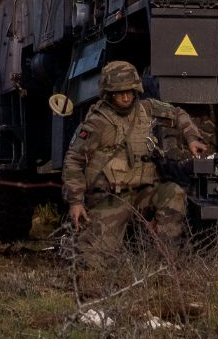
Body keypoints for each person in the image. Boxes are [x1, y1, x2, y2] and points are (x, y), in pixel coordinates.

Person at [62, 60, 207, 256]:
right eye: (119, 92)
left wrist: (192, 138)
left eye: (129, 91)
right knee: (94, 259)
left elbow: (177, 113)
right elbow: (74, 160)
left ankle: (163, 261)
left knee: (173, 194)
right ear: (109, 94)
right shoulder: (97, 122)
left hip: (143, 191)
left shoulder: (146, 108)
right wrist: (76, 201)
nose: (125, 97)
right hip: (111, 196)